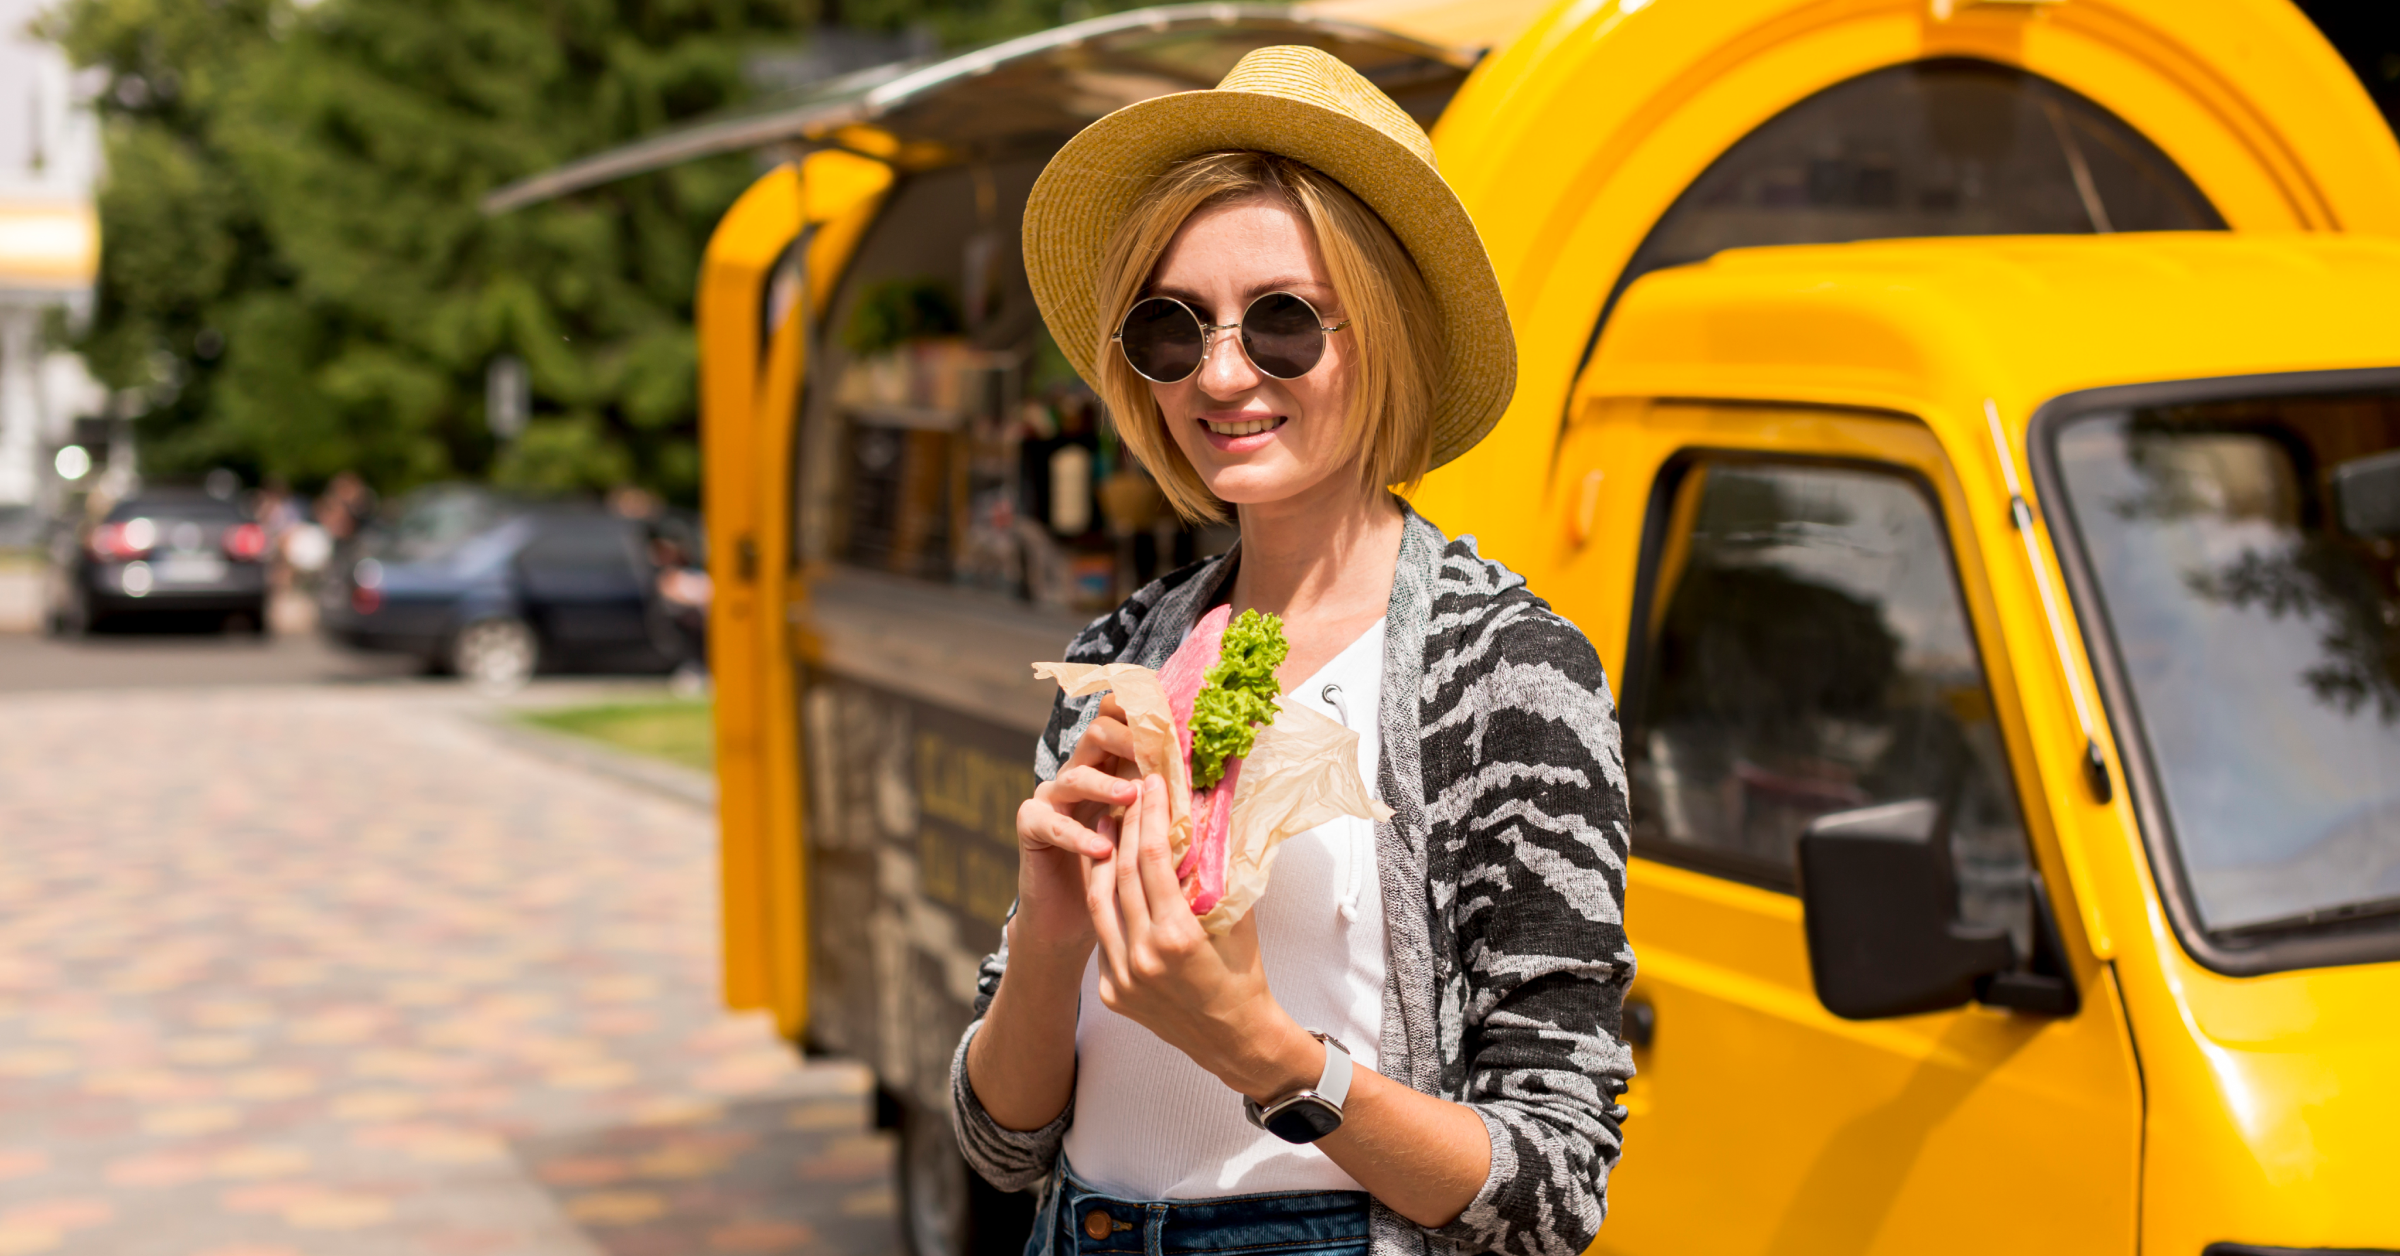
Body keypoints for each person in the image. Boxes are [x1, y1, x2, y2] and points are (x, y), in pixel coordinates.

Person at [951, 46, 1635, 1256]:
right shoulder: (1121, 655)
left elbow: (1556, 1185)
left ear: (1381, 331)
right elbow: (1002, 1144)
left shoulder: (1506, 672)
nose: (1220, 373)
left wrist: (1261, 1050)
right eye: (1172, 328)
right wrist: (1048, 937)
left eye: (1280, 322)